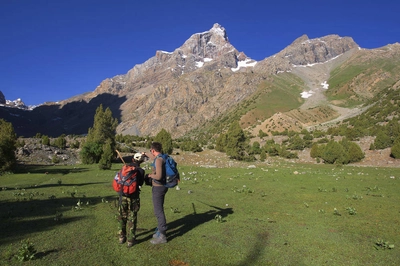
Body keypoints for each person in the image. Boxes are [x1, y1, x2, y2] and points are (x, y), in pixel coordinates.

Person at [115, 152, 145, 247]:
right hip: (133, 197)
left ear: (133, 159)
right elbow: (140, 183)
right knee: (132, 216)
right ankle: (131, 240)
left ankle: (121, 237)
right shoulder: (140, 171)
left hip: (122, 195)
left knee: (121, 216)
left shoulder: (125, 168)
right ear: (141, 161)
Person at [146, 142, 169, 244]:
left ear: (153, 150)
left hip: (159, 188)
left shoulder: (159, 160)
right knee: (159, 210)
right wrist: (145, 153)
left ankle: (162, 236)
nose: (151, 152)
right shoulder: (161, 157)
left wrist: (151, 176)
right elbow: (152, 157)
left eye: (151, 150)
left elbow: (158, 176)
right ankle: (160, 230)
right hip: (162, 187)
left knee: (158, 211)